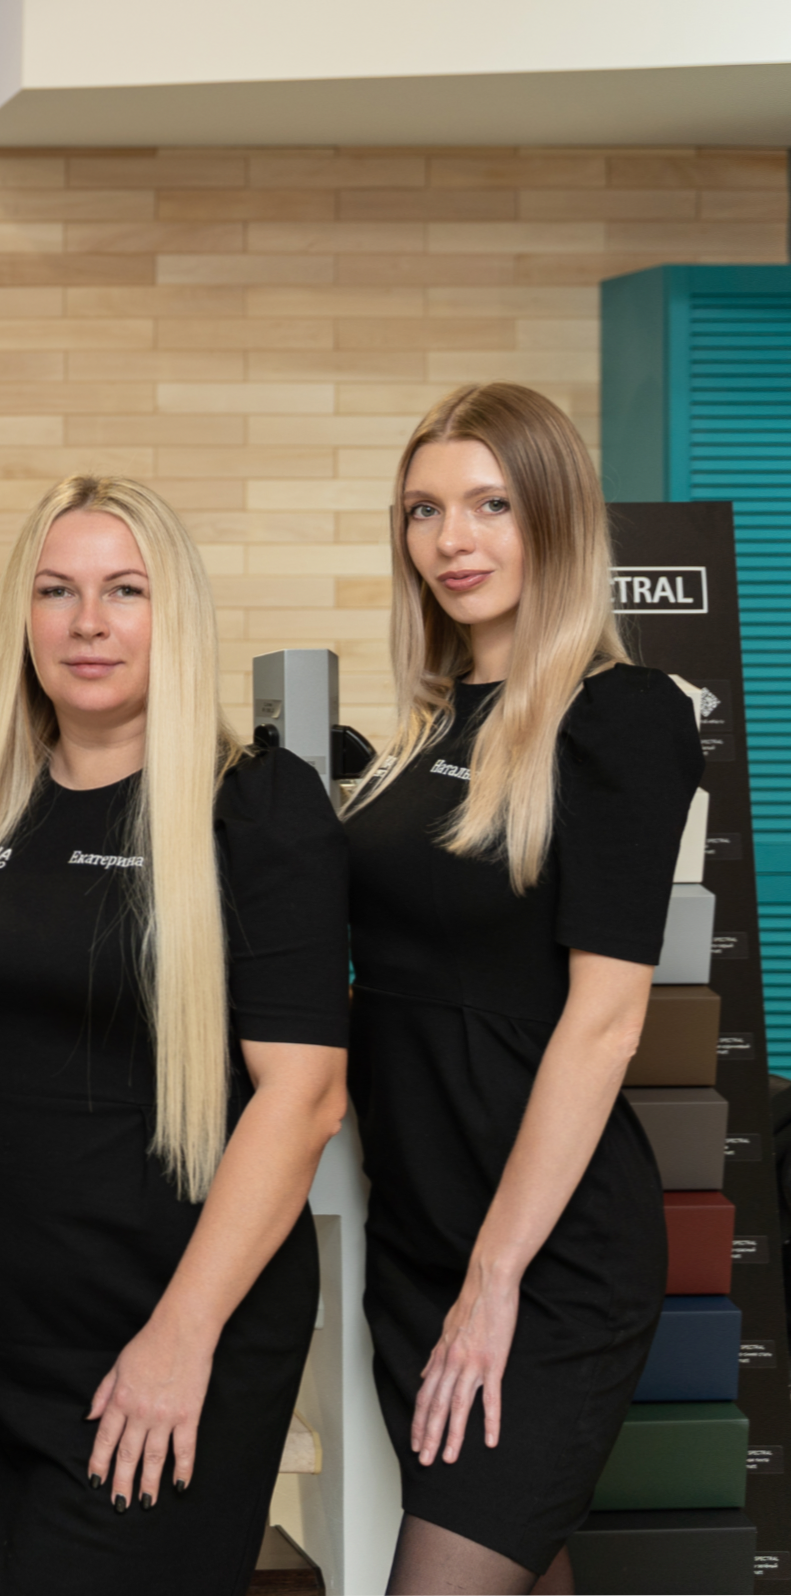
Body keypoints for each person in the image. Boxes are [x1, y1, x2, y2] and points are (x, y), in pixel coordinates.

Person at [0, 474, 350, 1596]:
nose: (87, 623)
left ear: (175, 613)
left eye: (124, 591)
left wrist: (179, 1338)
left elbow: (303, 1098)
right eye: (55, 590)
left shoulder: (254, 807)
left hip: (163, 1336)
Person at [342, 385, 701, 1596]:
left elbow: (602, 1023)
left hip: (543, 1257)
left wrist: (494, 1279)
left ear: (554, 517)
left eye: (489, 505)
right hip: (417, 1239)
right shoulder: (424, 734)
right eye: (423, 510)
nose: (451, 539)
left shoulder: (619, 717)